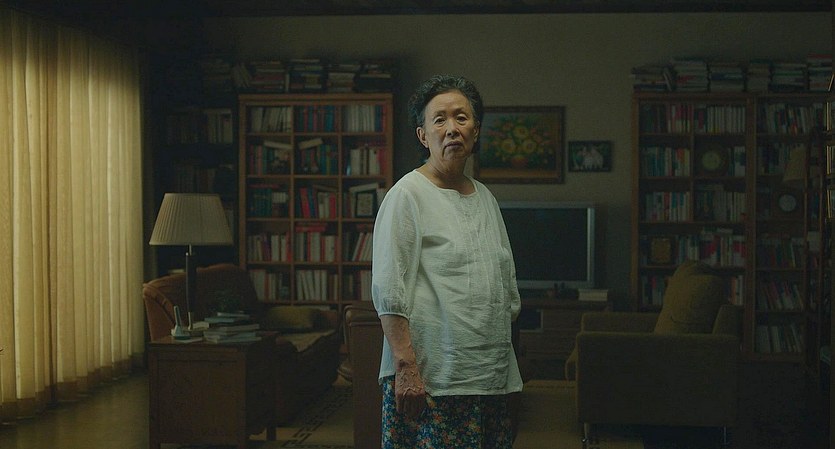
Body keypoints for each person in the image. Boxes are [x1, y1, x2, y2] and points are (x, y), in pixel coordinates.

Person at [371, 74, 523, 449]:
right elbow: (389, 290)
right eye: (439, 119)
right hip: (432, 377)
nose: (452, 128)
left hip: (487, 374)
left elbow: (505, 285)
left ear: (475, 131)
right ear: (423, 135)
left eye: (461, 117)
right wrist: (406, 368)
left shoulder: (485, 197)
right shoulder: (407, 195)